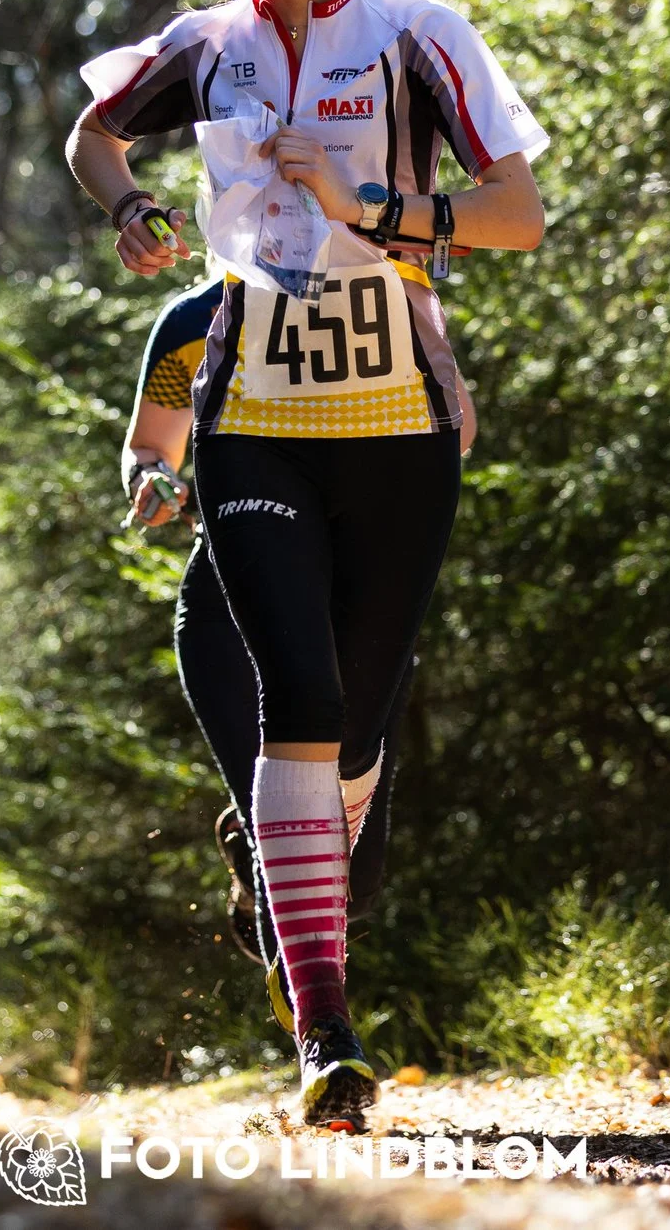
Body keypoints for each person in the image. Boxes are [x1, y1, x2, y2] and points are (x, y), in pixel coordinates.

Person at [70, 0, 547, 1127]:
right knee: (298, 693)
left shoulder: (417, 34)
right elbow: (93, 132)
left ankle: (300, 914)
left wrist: (373, 205)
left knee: (356, 741)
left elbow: (518, 214)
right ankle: (324, 1035)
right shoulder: (206, 46)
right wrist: (131, 207)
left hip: (399, 421)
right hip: (252, 413)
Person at [121, 275, 444, 988]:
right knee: (290, 854)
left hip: (355, 594)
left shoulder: (384, 292)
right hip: (228, 598)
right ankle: (316, 1038)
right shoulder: (195, 318)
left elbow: (455, 430)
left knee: (356, 878)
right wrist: (152, 480)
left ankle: (251, 846)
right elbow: (148, 445)